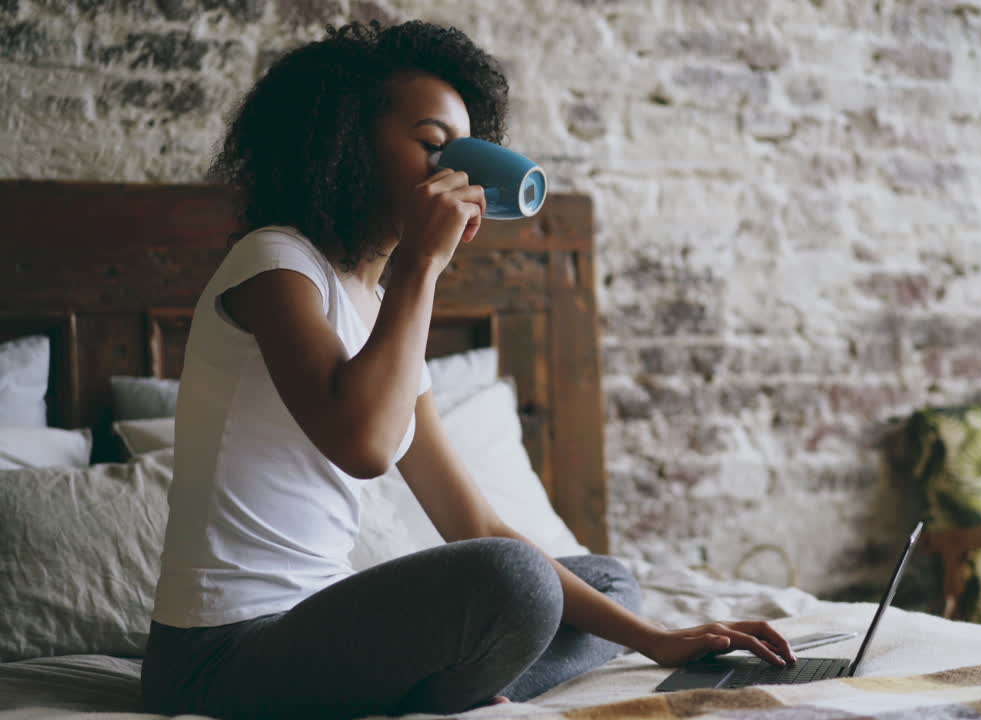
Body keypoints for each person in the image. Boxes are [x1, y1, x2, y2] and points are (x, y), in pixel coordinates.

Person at [140, 20, 796, 719]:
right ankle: (453, 689)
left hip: (316, 633)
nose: (455, 172)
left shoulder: (380, 305)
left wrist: (657, 640)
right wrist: (423, 263)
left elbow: (470, 518)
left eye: (463, 151)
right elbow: (362, 445)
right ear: (346, 143)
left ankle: (453, 687)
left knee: (606, 583)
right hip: (218, 657)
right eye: (432, 146)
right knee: (516, 582)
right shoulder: (275, 263)